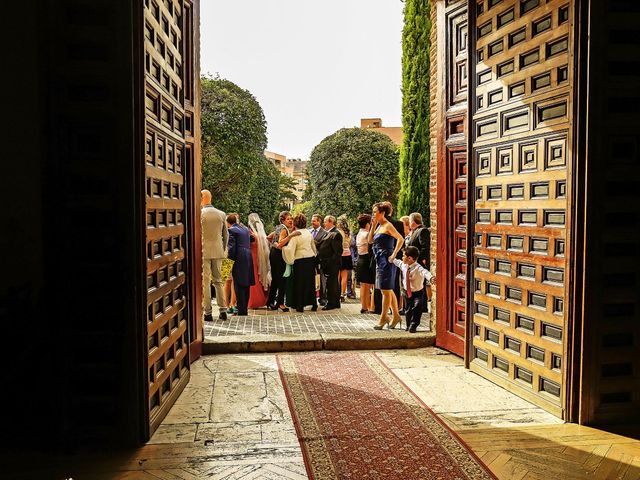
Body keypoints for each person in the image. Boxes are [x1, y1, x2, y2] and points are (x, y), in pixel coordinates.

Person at [369, 202, 404, 329]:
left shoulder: (388, 225)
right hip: (379, 259)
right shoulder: (379, 226)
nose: (373, 214)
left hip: (386, 260)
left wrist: (394, 254)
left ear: (382, 213)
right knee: (387, 290)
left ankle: (384, 318)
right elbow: (370, 240)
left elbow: (400, 239)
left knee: (385, 291)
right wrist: (373, 226)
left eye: (375, 212)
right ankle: (396, 315)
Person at [280, 214, 318, 312]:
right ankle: (314, 304)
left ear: (295, 223)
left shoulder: (296, 234)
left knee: (299, 283)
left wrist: (283, 248)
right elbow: (313, 247)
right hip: (310, 260)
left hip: (300, 260)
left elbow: (290, 249)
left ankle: (300, 305)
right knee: (310, 282)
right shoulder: (309, 233)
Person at [393, 246, 435, 333]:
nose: (402, 257)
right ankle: (408, 325)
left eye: (403, 256)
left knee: (417, 307)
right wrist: (390, 258)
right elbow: (396, 262)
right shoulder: (403, 265)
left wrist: (431, 278)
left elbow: (425, 272)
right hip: (406, 292)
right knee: (407, 310)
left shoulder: (418, 267)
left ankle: (414, 324)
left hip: (417, 293)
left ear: (409, 258)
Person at [200, 190, 228, 321]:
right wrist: (222, 248)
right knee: (219, 281)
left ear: (202, 198)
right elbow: (225, 235)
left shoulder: (199, 214)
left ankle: (208, 312)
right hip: (217, 250)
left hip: (204, 251)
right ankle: (223, 310)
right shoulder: (221, 214)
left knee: (205, 282)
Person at [227, 214, 255, 316]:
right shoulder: (245, 229)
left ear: (228, 223)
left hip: (238, 257)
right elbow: (252, 239)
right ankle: (244, 309)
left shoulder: (231, 230)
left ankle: (241, 310)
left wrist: (229, 261)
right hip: (248, 256)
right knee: (246, 284)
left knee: (238, 284)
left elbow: (231, 248)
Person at [267, 211, 293, 312]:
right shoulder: (284, 230)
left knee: (275, 279)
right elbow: (281, 243)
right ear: (283, 220)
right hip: (278, 255)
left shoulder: (279, 227)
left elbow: (269, 237)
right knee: (282, 279)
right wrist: (291, 236)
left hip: (273, 254)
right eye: (288, 219)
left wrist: (274, 244)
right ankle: (280, 303)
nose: (290, 220)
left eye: (291, 218)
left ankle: (270, 302)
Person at [316, 215, 343, 310]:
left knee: (332, 284)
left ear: (331, 222)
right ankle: (334, 302)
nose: (324, 223)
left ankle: (332, 303)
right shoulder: (328, 232)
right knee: (331, 283)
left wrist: (330, 262)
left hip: (332, 264)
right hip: (326, 263)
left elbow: (338, 252)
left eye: (325, 221)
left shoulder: (336, 234)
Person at [406, 212, 432, 310]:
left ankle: (422, 306)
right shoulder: (414, 231)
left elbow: (425, 247)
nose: (409, 223)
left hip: (419, 262)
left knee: (421, 284)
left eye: (409, 221)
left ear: (413, 221)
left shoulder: (422, 230)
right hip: (413, 263)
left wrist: (417, 259)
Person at [247, 213, 271, 309]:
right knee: (259, 276)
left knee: (254, 278)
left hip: (252, 257)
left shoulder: (251, 234)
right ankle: (263, 298)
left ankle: (254, 300)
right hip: (260, 257)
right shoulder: (261, 235)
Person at [355, 213, 375, 314]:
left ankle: (364, 306)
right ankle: (370, 306)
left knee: (363, 285)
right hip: (367, 259)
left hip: (360, 259)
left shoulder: (359, 233)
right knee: (369, 284)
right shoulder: (367, 234)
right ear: (368, 223)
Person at [310, 214, 327, 305]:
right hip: (309, 258)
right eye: (312, 220)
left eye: (314, 221)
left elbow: (323, 246)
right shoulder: (309, 231)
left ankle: (323, 297)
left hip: (320, 258)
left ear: (319, 221)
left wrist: (314, 243)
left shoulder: (324, 233)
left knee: (322, 278)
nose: (312, 222)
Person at [336, 215, 353, 302]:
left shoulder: (338, 232)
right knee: (345, 276)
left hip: (340, 255)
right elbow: (349, 244)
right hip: (347, 254)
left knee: (337, 275)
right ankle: (343, 293)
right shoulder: (348, 232)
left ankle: (337, 293)